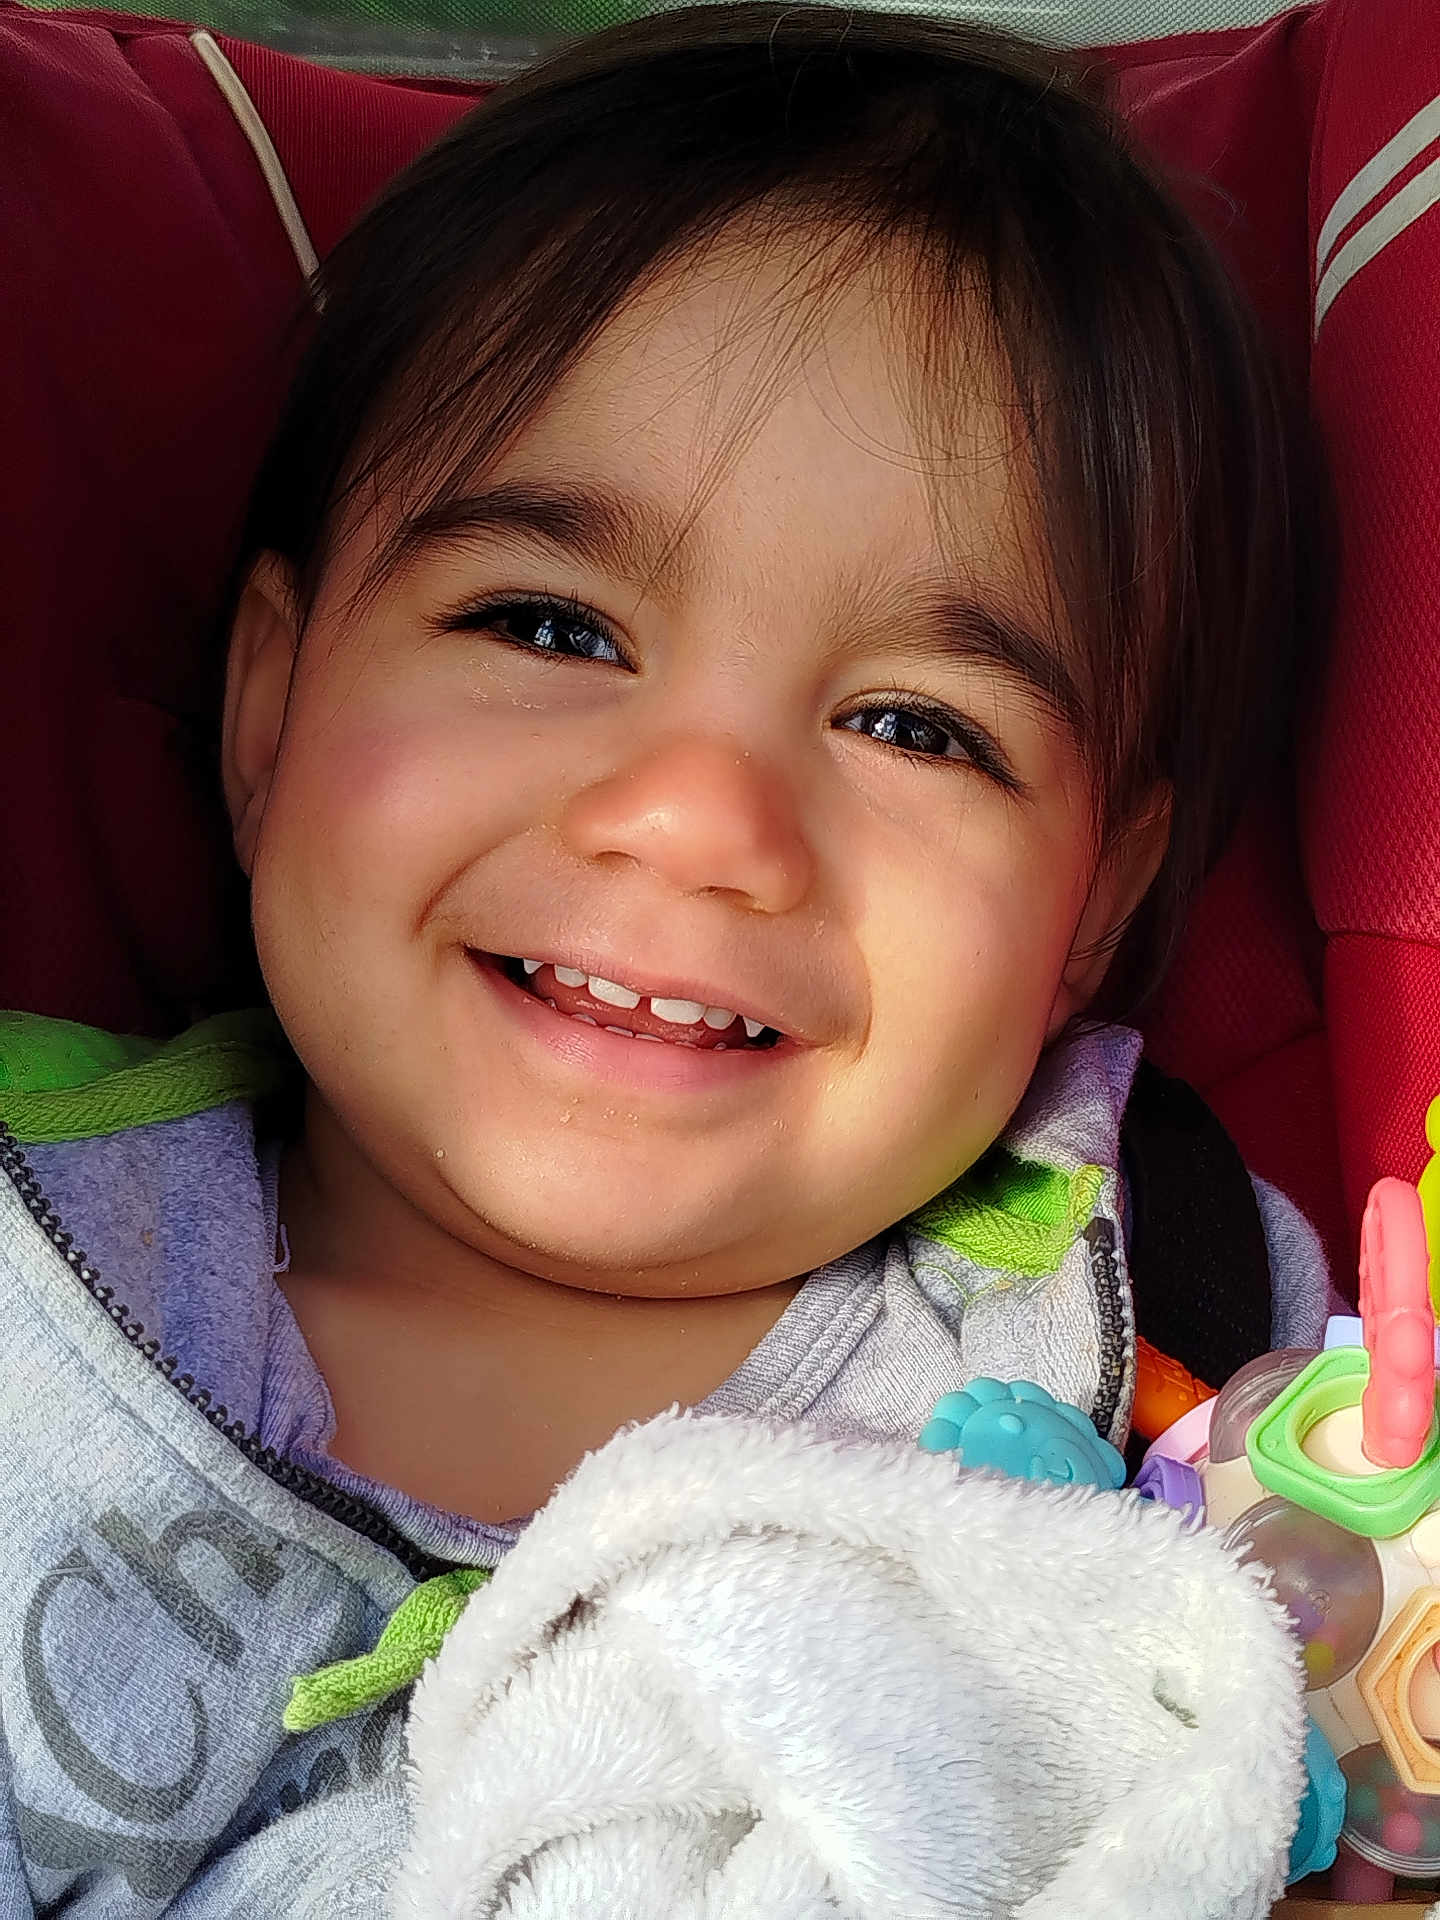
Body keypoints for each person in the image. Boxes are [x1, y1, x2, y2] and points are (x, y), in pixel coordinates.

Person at [0, 4, 1331, 1910]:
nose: (703, 817)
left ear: (1092, 915)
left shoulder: (1188, 1312)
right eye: (549, 624)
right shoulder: (33, 1265)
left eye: (918, 727)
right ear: (272, 707)